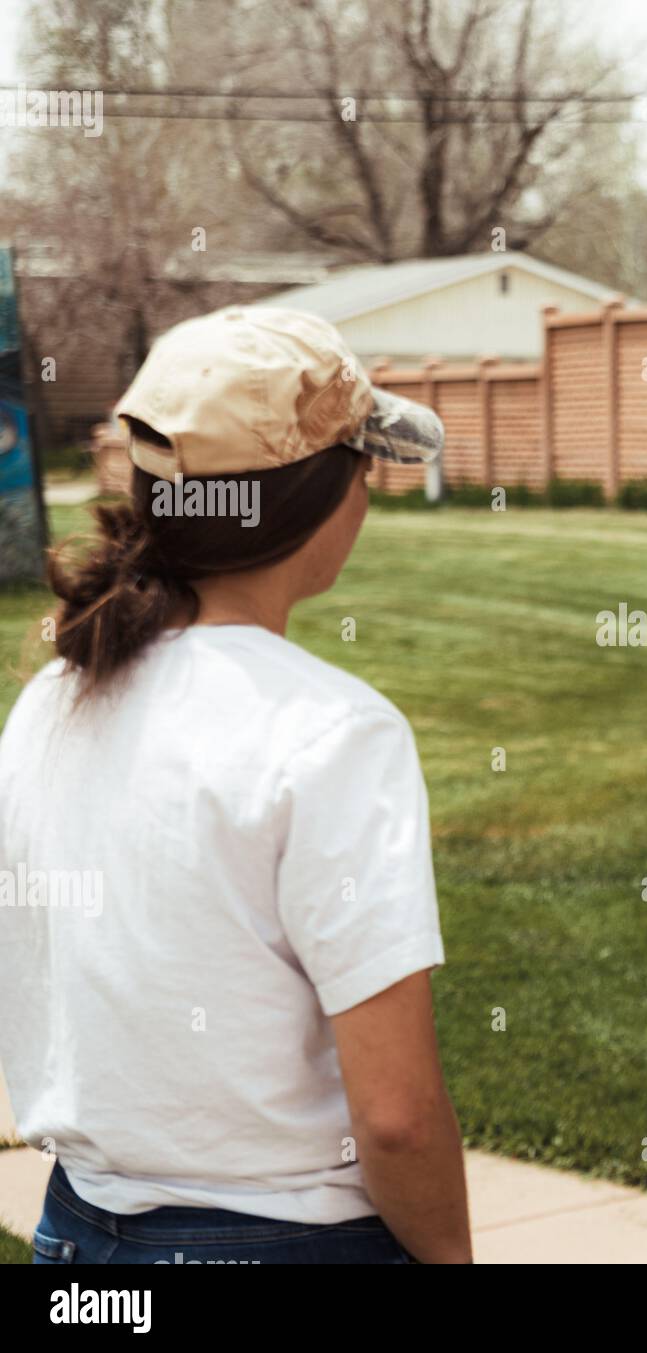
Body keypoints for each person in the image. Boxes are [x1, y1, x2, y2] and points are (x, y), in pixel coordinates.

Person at [0, 306, 472, 1264]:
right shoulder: (335, 733)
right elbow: (396, 1119)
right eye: (364, 467)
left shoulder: (53, 694)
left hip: (78, 1238)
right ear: (324, 497)